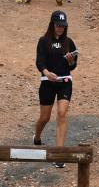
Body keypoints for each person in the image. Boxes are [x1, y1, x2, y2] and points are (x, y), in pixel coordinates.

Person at [34, 10, 78, 168]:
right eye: (58, 25)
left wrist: (71, 61)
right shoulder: (43, 41)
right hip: (47, 81)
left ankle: (59, 154)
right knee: (45, 118)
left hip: (65, 81)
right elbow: (39, 61)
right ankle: (37, 136)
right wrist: (46, 72)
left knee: (62, 113)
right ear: (52, 24)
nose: (60, 28)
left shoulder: (69, 42)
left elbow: (73, 65)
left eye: (63, 26)